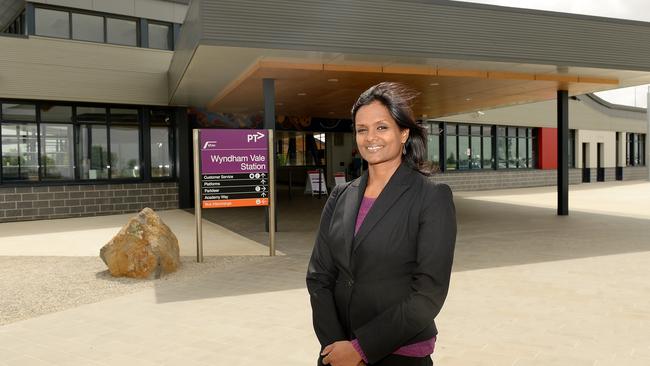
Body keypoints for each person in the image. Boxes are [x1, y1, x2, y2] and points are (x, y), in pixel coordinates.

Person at [306, 82, 457, 366]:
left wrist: (361, 349)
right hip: (338, 351)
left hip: (399, 352)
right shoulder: (341, 195)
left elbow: (428, 293)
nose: (370, 137)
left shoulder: (431, 197)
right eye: (362, 129)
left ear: (403, 132)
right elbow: (319, 276)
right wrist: (334, 344)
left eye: (381, 127)